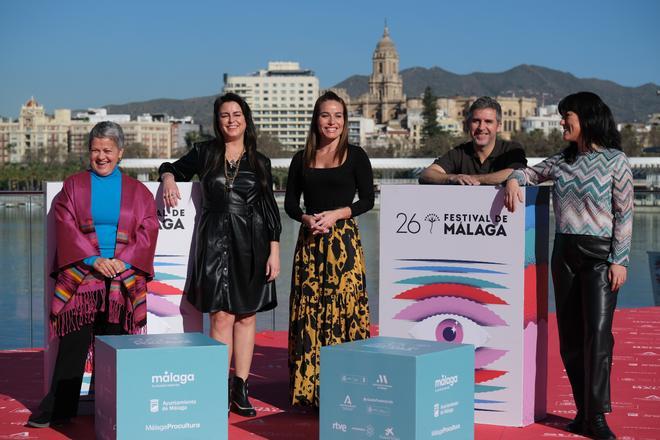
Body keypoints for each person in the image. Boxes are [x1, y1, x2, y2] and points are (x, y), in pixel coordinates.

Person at [504, 92, 633, 440]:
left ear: (587, 119)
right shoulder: (562, 161)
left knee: (598, 335)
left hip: (599, 257)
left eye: (567, 116)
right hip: (565, 255)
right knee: (571, 339)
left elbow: (624, 214)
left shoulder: (616, 161)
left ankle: (598, 415)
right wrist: (515, 179)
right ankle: (582, 413)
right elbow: (529, 172)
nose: (562, 122)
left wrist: (619, 260)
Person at [27, 121, 159, 428]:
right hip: (83, 276)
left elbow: (149, 228)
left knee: (115, 349)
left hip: (122, 276)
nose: (101, 156)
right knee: (73, 345)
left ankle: (116, 410)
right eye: (95, 150)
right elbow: (65, 223)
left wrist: (122, 262)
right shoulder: (73, 186)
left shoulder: (138, 192)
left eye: (107, 150)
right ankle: (58, 410)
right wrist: (93, 259)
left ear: (120, 153)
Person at [159, 93, 281, 417]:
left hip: (251, 241)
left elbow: (269, 210)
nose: (231, 120)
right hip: (213, 241)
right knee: (221, 316)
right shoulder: (204, 152)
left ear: (245, 118)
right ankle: (216, 384)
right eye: (225, 115)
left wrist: (274, 250)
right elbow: (170, 166)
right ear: (217, 120)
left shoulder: (260, 161)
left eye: (236, 114)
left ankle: (240, 387)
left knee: (247, 315)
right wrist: (169, 178)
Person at [285, 91, 374, 407]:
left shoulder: (356, 155)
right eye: (326, 115)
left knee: (343, 311)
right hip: (310, 245)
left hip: (344, 244)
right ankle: (309, 391)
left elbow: (367, 200)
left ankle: (345, 388)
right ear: (316, 119)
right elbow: (290, 204)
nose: (332, 121)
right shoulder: (301, 158)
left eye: (338, 116)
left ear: (345, 121)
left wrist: (337, 214)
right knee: (311, 312)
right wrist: (307, 218)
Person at [419, 96, 527, 185]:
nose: (481, 127)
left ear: (498, 126)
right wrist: (452, 178)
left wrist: (472, 179)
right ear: (468, 124)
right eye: (476, 121)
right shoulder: (459, 153)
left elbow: (517, 173)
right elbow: (426, 174)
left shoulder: (511, 150)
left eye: (488, 121)